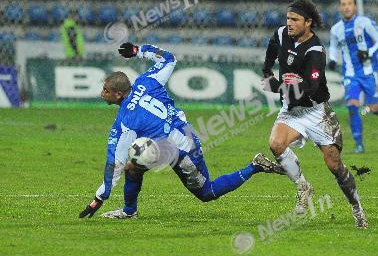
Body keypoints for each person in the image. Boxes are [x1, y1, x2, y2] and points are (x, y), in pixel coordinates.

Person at [79, 42, 283, 219]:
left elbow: (114, 161)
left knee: (206, 193)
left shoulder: (125, 121)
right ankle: (129, 211)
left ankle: (255, 166)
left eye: (106, 90)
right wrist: (137, 50)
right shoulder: (146, 82)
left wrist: (99, 198)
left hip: (182, 148)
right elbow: (169, 58)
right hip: (178, 134)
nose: (101, 93)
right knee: (134, 167)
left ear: (118, 94)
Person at [262, 0, 368, 229]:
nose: (289, 23)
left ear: (308, 23)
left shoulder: (315, 50)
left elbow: (310, 90)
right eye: (288, 18)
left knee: (334, 165)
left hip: (316, 112)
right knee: (276, 144)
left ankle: (357, 207)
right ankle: (303, 187)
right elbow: (272, 47)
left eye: (295, 20)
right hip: (291, 110)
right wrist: (267, 71)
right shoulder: (281, 34)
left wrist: (279, 87)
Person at [328, 0, 378, 153]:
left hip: (368, 72)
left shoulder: (364, 23)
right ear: (340, 8)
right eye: (343, 4)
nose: (346, 7)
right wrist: (332, 59)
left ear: (355, 6)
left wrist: (368, 52)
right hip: (350, 74)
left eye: (349, 4)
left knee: (373, 106)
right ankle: (359, 144)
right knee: (352, 106)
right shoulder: (336, 29)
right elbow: (333, 47)